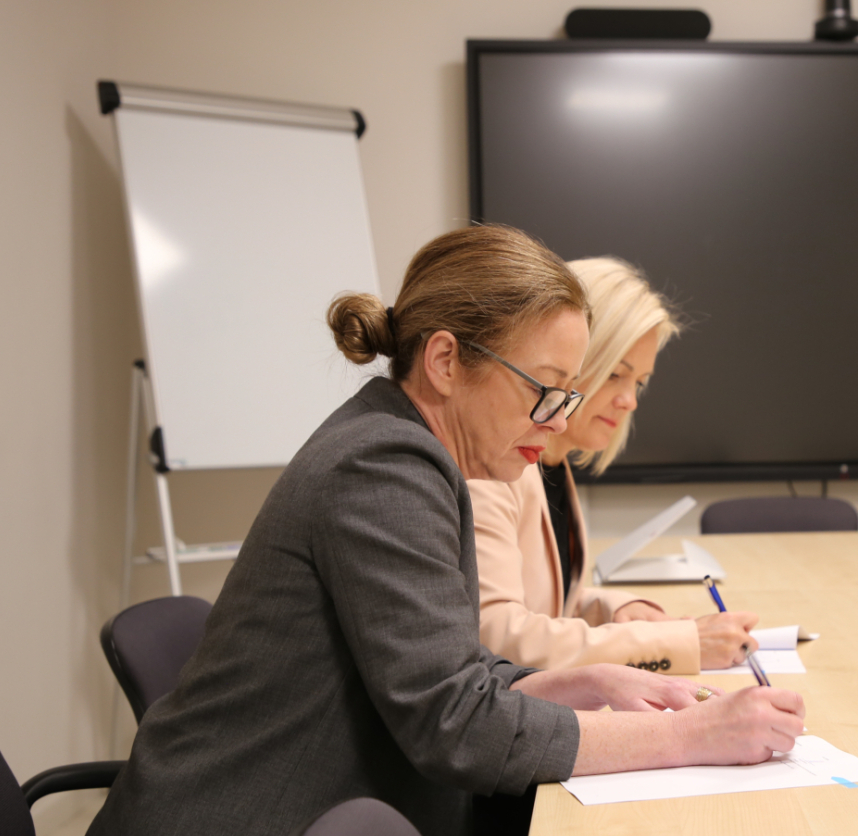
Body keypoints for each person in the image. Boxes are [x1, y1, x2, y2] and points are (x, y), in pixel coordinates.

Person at [86, 226, 804, 836]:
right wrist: (687, 736)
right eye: (543, 389)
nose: (558, 422)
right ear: (444, 361)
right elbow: (454, 725)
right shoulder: (382, 465)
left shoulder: (407, 450)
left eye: (568, 396)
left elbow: (442, 667)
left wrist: (569, 682)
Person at [471, 257, 758, 674]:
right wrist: (680, 644)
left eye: (638, 382)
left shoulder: (552, 465)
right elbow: (498, 636)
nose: (630, 401)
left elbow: (550, 606)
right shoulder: (491, 470)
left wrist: (621, 607)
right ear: (568, 364)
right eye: (614, 375)